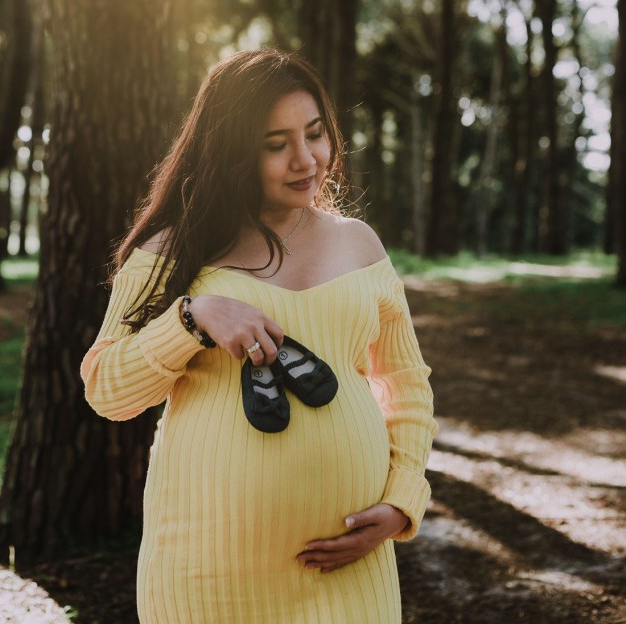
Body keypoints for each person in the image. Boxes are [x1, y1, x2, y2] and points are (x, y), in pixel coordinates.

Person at [81, 48, 437, 623]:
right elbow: (107, 390)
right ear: (232, 151)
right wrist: (190, 319)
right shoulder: (173, 251)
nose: (306, 159)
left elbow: (406, 386)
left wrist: (401, 500)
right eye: (276, 145)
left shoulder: (360, 244)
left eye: (315, 134)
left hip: (351, 576)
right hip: (210, 575)